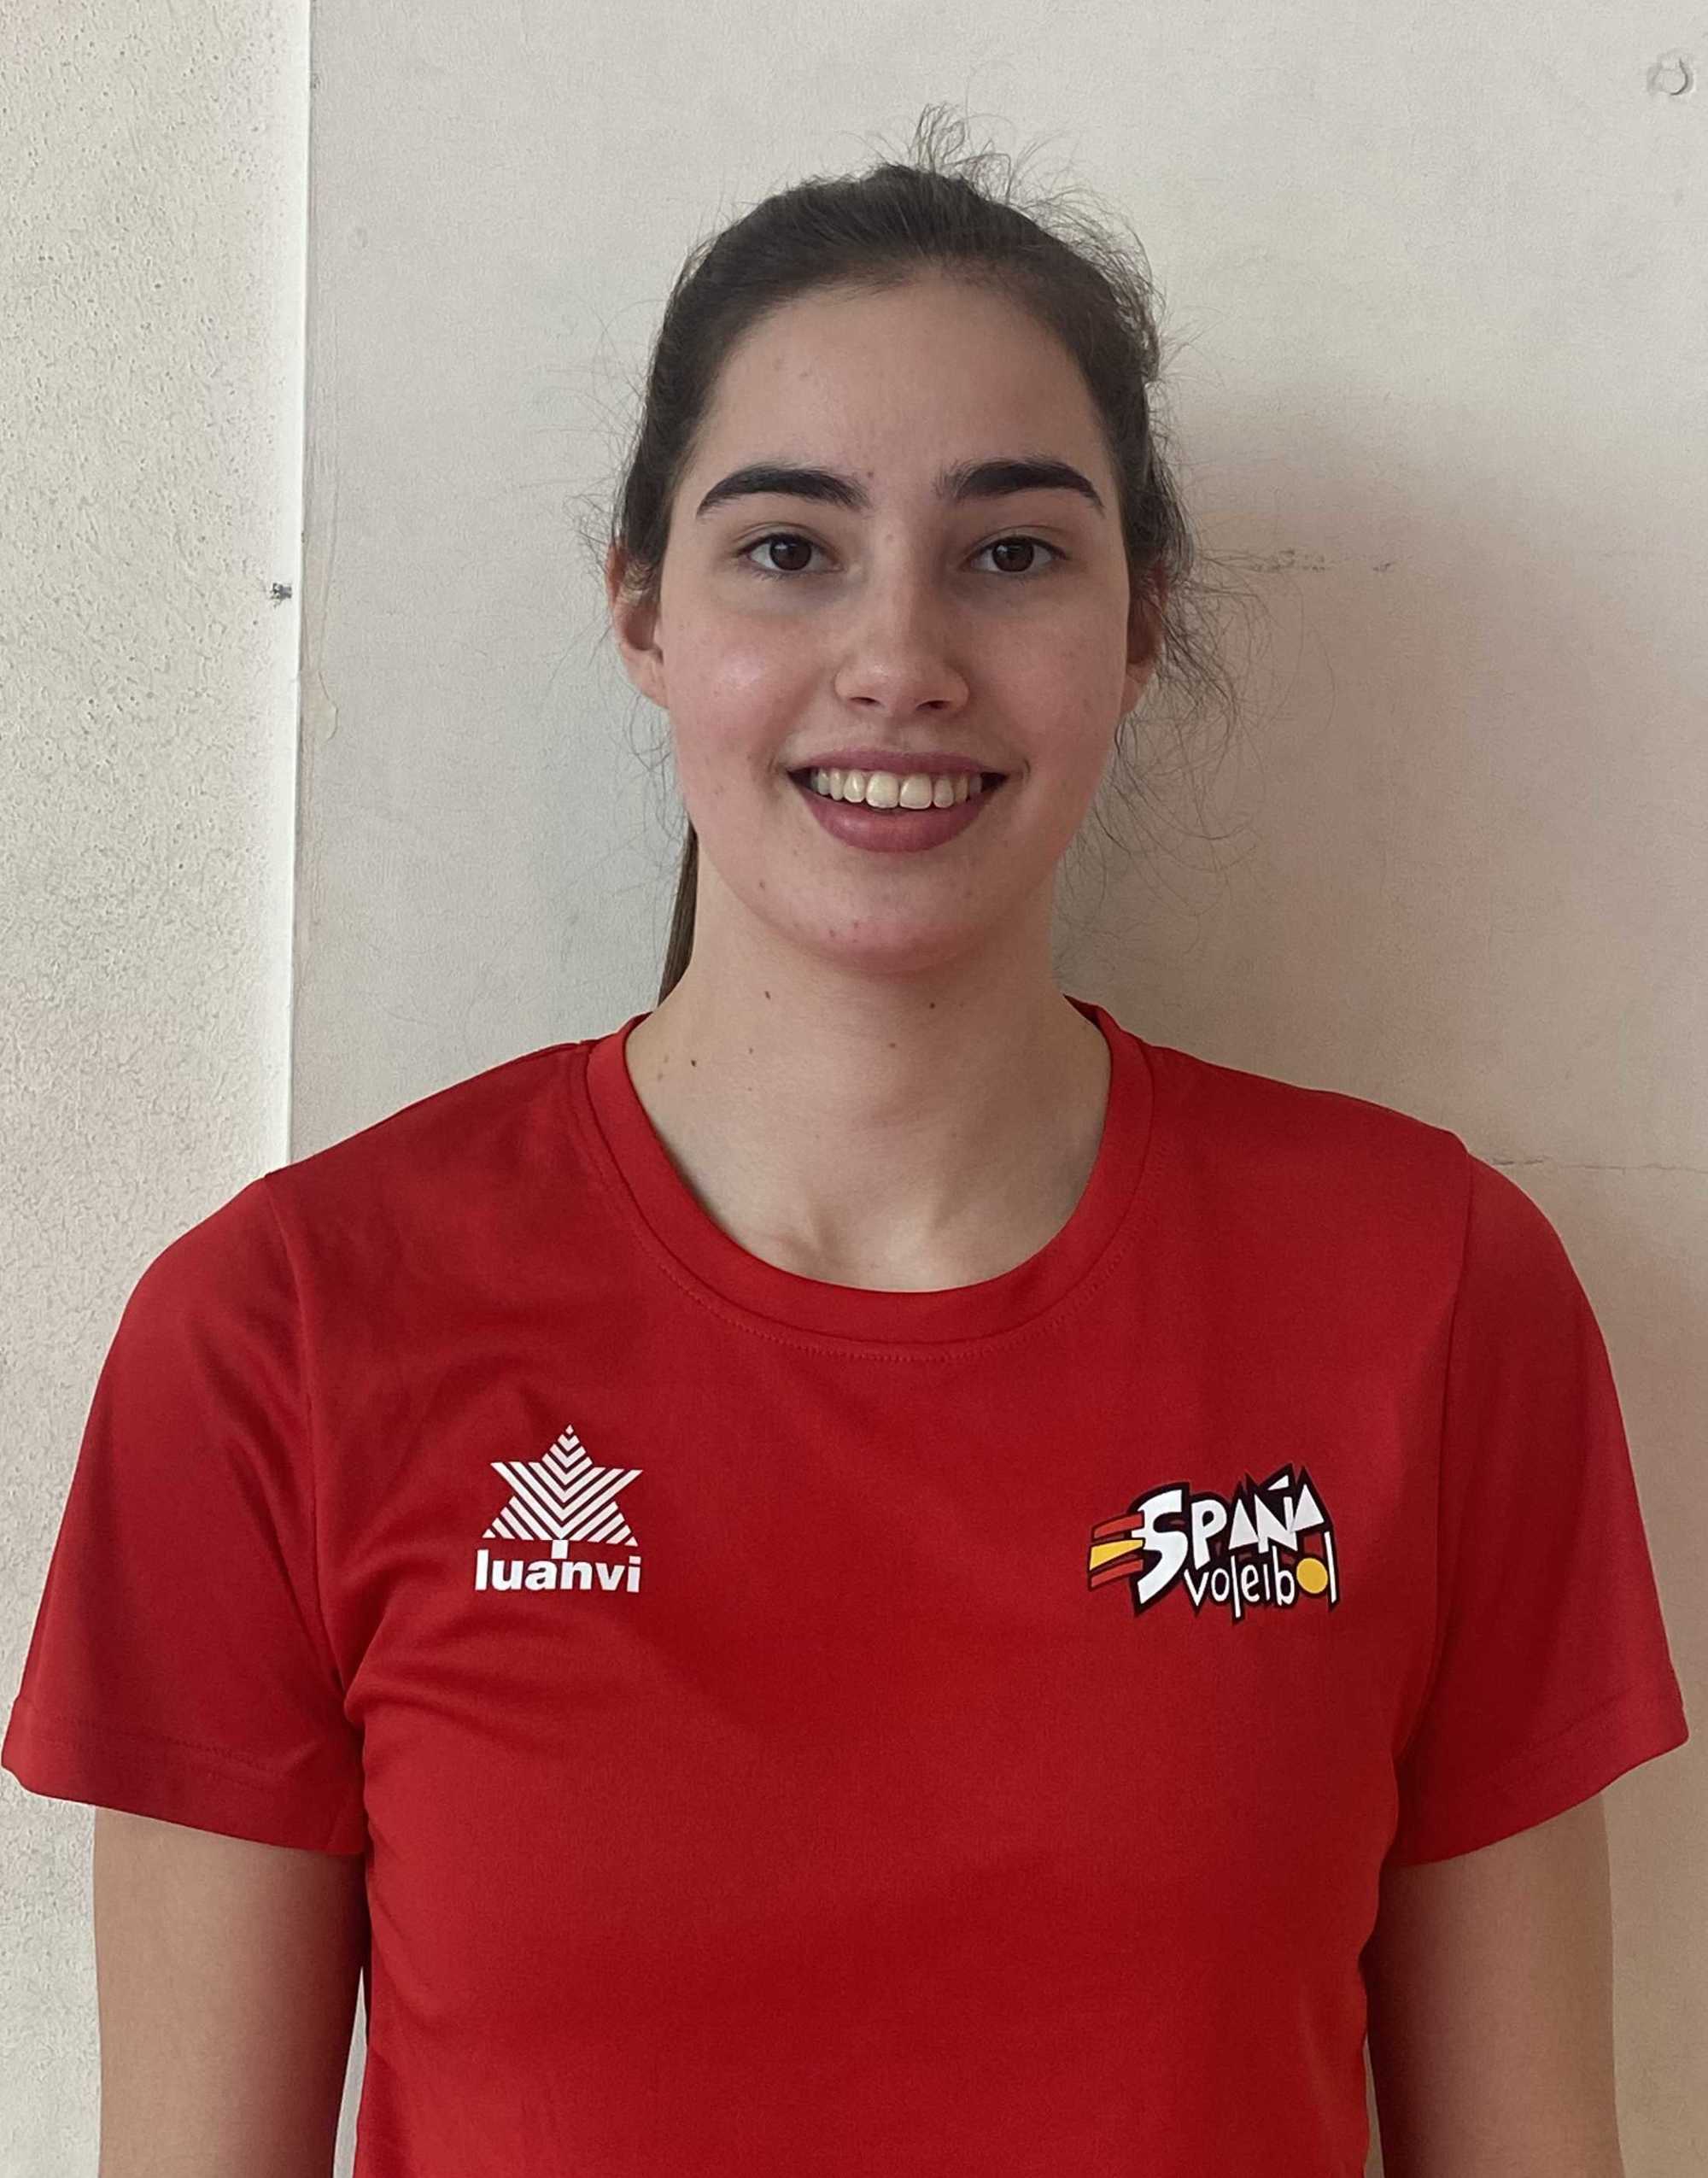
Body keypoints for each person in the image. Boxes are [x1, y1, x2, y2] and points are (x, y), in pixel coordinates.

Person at [3, 105, 1690, 2177]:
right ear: (642, 611)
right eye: (789, 550)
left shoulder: (1429, 1295)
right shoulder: (282, 1333)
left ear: (1138, 621)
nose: (898, 661)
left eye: (1012, 552)